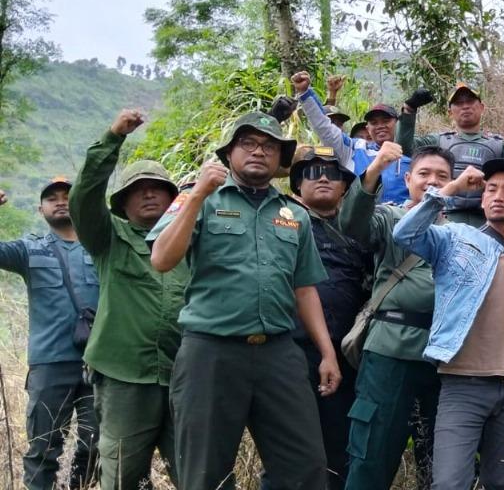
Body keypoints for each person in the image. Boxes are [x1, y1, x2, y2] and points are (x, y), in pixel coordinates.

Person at [148, 111, 340, 489]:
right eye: (248, 143)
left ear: (280, 158)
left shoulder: (294, 214)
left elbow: (304, 289)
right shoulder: (198, 198)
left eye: (269, 146)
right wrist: (198, 194)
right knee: (205, 472)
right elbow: (162, 259)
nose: (258, 151)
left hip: (278, 353)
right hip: (211, 353)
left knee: (305, 467)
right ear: (229, 153)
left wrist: (327, 353)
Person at [393, 160, 504, 490]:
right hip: (462, 383)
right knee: (449, 483)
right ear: (482, 198)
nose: (498, 196)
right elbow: (405, 233)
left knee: (499, 481)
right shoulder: (455, 238)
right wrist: (452, 187)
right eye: (491, 189)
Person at [68, 109, 186, 490]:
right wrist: (113, 137)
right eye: (138, 189)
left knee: (198, 473)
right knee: (121, 478)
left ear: (172, 198)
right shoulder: (108, 237)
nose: (148, 193)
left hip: (184, 377)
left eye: (157, 187)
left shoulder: (191, 241)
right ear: (123, 202)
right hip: (124, 380)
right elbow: (83, 198)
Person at [341, 143, 452, 490]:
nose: (432, 181)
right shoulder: (389, 217)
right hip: (389, 351)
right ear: (407, 179)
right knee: (372, 453)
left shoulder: (458, 232)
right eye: (424, 173)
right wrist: (374, 170)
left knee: (440, 461)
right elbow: (352, 223)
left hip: (443, 357)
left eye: (442, 176)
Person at [261, 145, 368, 489]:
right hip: (291, 351)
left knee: (339, 446)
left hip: (348, 353)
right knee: (286, 449)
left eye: (332, 173)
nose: (323, 178)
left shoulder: (362, 227)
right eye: (311, 172)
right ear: (296, 185)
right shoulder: (280, 221)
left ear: (345, 186)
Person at [0, 179, 100, 490]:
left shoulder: (102, 248)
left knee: (96, 445)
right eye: (52, 198)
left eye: (68, 196)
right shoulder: (29, 250)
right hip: (49, 365)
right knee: (43, 449)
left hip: (99, 364)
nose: (60, 201)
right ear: (39, 209)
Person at [395, 83, 504, 227]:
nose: (465, 106)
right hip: (445, 219)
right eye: (458, 103)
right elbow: (404, 147)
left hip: (487, 221)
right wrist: (409, 110)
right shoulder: (439, 141)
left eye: (470, 101)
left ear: (482, 107)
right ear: (450, 112)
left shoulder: (499, 146)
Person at [293, 71, 413, 204]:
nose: (380, 126)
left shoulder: (414, 154)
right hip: (358, 216)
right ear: (368, 128)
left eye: (386, 121)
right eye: (374, 123)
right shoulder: (353, 149)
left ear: (397, 123)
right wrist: (305, 92)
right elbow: (323, 126)